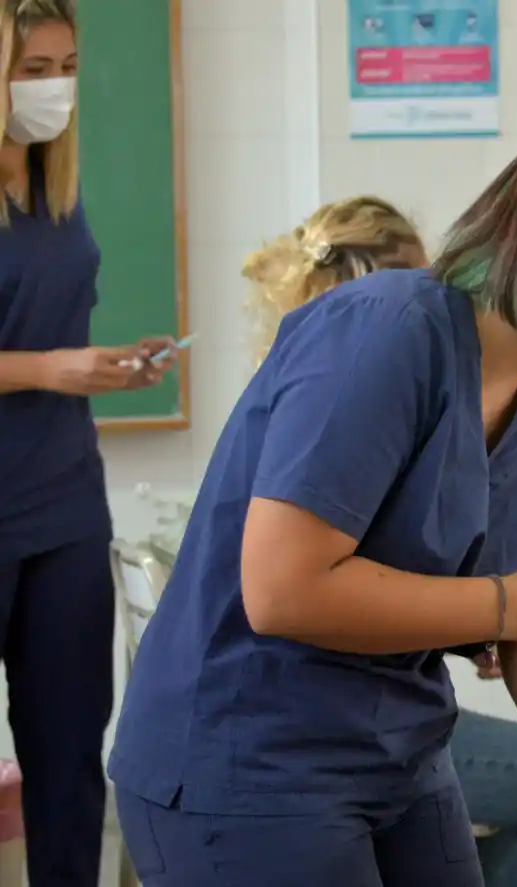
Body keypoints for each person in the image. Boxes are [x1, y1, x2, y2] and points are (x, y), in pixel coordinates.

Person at [109, 105, 517, 887]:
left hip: (398, 756)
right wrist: (505, 606)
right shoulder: (384, 332)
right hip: (246, 757)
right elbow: (284, 588)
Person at [241, 195, 517, 887]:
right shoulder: (362, 369)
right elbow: (296, 591)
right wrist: (502, 607)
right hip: (297, 736)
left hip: (394, 731)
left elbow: (416, 573)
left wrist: (496, 616)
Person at [0, 3, 173, 885]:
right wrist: (48, 368)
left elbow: (55, 331)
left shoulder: (56, 192)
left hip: (65, 501)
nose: (55, 86)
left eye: (65, 65)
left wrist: (111, 367)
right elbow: (41, 356)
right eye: (32, 69)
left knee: (70, 759)